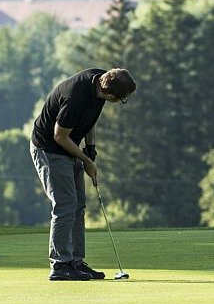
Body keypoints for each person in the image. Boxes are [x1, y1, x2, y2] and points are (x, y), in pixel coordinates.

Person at [30, 67, 136, 281]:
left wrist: (90, 148)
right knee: (65, 205)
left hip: (70, 147)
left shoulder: (101, 80)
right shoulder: (75, 96)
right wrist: (86, 161)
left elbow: (90, 119)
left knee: (78, 206)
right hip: (49, 150)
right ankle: (60, 265)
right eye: (121, 100)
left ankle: (75, 262)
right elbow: (59, 136)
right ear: (111, 95)